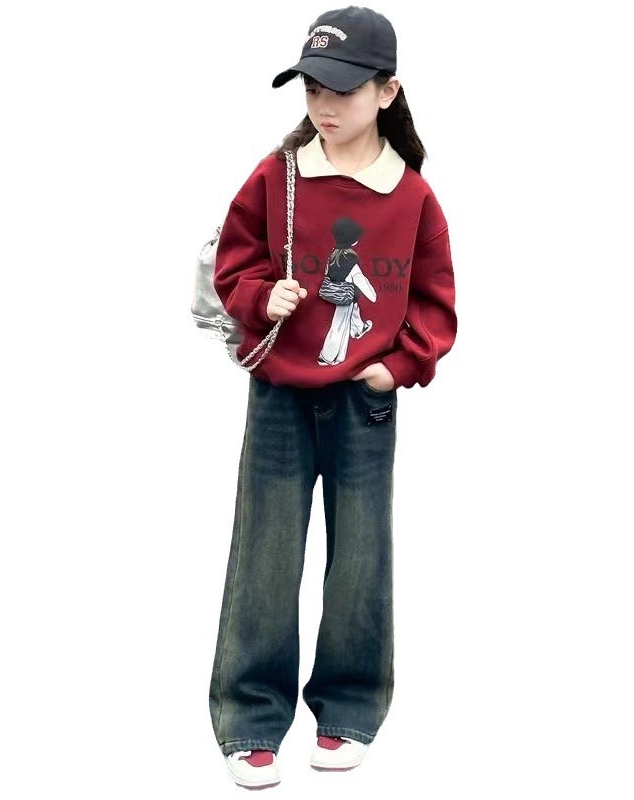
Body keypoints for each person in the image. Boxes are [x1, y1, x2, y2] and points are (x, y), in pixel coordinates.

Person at [208, 5, 457, 789]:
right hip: (279, 396)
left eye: (343, 90)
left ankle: (349, 708)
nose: (324, 104)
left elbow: (436, 299)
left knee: (359, 561)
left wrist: (401, 365)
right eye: (313, 87)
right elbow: (233, 264)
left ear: (387, 91)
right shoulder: (276, 176)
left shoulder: (412, 197)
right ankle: (251, 719)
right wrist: (262, 298)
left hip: (364, 403)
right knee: (264, 555)